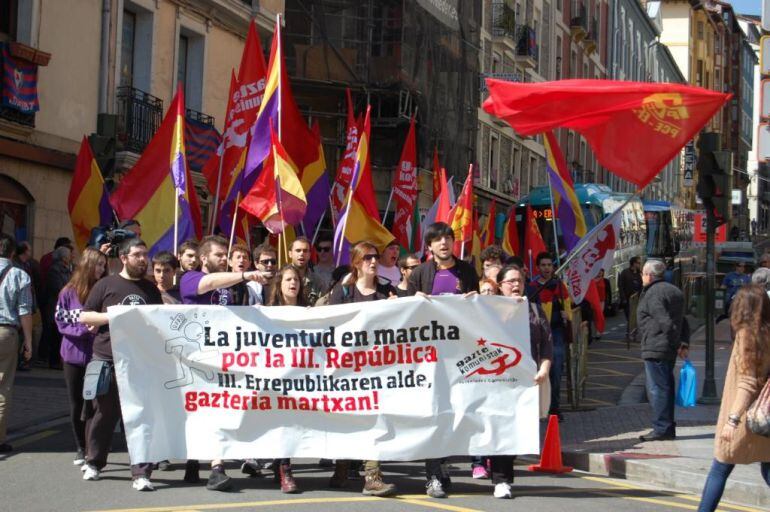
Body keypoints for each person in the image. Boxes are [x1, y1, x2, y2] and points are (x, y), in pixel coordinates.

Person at [178, 235, 267, 491]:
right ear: (204, 258)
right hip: (195, 357)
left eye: (223, 255)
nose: (223, 259)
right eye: (219, 255)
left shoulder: (228, 287)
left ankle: (211, 466)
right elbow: (207, 284)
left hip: (222, 358)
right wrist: (245, 275)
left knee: (217, 411)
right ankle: (204, 463)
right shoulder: (190, 278)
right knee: (200, 413)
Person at [78, 238, 161, 491]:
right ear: (124, 258)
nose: (143, 259)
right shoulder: (106, 284)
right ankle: (94, 463)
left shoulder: (151, 289)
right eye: (137, 255)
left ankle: (141, 473)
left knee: (140, 418)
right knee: (104, 414)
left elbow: (157, 322)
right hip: (108, 359)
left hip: (140, 362)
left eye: (145, 254)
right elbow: (85, 315)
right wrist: (115, 315)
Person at [407, 222, 479, 498]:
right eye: (437, 240)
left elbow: (480, 310)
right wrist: (413, 299)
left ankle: (443, 463)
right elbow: (404, 311)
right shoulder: (420, 273)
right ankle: (433, 475)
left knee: (455, 413)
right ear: (430, 247)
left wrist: (478, 299)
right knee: (433, 412)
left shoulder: (467, 271)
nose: (444, 243)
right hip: (429, 357)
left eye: (448, 238)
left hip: (460, 356)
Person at [327, 241, 398, 497]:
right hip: (347, 371)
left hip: (377, 371)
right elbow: (327, 325)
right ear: (356, 262)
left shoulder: (387, 291)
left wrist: (401, 304)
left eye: (375, 257)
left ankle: (372, 477)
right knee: (347, 421)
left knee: (375, 421)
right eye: (367, 257)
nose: (373, 261)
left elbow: (410, 315)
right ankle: (342, 466)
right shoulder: (344, 293)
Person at [697, 284, 770, 511]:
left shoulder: (747, 335)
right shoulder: (768, 332)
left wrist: (732, 419)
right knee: (767, 465)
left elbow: (747, 382)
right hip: (763, 416)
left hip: (746, 416)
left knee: (720, 466)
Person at [490, 264, 553, 498]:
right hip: (496, 382)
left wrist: (544, 369)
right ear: (500, 285)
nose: (516, 285)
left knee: (515, 431)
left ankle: (501, 475)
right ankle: (500, 478)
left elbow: (547, 345)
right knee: (499, 429)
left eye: (520, 281)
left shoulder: (535, 310)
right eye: (510, 281)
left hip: (526, 382)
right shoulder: (488, 311)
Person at [54, 247, 107, 466]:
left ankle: (92, 447)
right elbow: (61, 322)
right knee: (76, 402)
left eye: (104, 266)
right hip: (73, 355)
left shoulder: (104, 290)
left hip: (97, 355)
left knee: (95, 404)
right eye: (99, 264)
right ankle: (80, 447)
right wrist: (85, 330)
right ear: (88, 264)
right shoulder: (68, 292)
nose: (101, 269)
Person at [266, 264, 308, 494]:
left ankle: (280, 465)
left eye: (296, 280)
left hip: (301, 379)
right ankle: (285, 469)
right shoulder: (267, 312)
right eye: (288, 280)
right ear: (279, 285)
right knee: (281, 422)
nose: (293, 283)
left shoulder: (309, 313)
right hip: (276, 379)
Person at [636, 259, 687, 442]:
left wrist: (676, 342)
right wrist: (682, 343)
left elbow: (664, 320)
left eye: (642, 273)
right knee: (666, 387)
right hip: (667, 348)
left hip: (656, 346)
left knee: (658, 389)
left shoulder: (653, 294)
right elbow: (683, 320)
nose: (642, 277)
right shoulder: (675, 291)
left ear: (649, 275)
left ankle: (661, 428)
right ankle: (667, 427)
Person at [0, 234, 33, 453]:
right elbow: (24, 311)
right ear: (13, 253)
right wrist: (29, 341)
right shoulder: (19, 275)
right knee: (3, 386)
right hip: (5, 332)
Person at [528, 252, 570, 421]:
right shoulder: (531, 287)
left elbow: (567, 305)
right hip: (539, 334)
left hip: (557, 332)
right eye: (543, 265)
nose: (546, 268)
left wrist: (566, 314)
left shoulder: (559, 285)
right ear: (538, 267)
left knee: (556, 370)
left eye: (549, 265)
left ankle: (554, 408)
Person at [43, 245, 73, 369]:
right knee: (55, 334)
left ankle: (60, 360)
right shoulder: (54, 270)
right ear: (64, 258)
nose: (72, 257)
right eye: (69, 255)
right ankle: (54, 361)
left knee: (60, 335)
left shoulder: (70, 269)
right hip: (56, 306)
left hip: (67, 307)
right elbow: (58, 289)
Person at [14, 241, 43, 370]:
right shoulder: (16, 267)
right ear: (25, 251)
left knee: (25, 333)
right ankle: (19, 360)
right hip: (20, 306)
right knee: (21, 334)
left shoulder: (29, 264)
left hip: (29, 303)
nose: (31, 253)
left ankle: (22, 359)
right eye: (29, 250)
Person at [288, 237, 324, 305]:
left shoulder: (318, 282)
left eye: (305, 251)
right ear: (290, 254)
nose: (301, 254)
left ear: (309, 254)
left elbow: (323, 307)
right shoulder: (281, 278)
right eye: (298, 250)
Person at [618, 256, 643, 338]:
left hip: (637, 299)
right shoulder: (625, 273)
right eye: (638, 263)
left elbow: (642, 285)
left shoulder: (640, 273)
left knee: (635, 317)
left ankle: (632, 333)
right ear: (634, 263)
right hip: (627, 299)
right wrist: (623, 298)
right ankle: (630, 333)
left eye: (640, 263)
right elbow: (620, 286)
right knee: (630, 317)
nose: (639, 264)